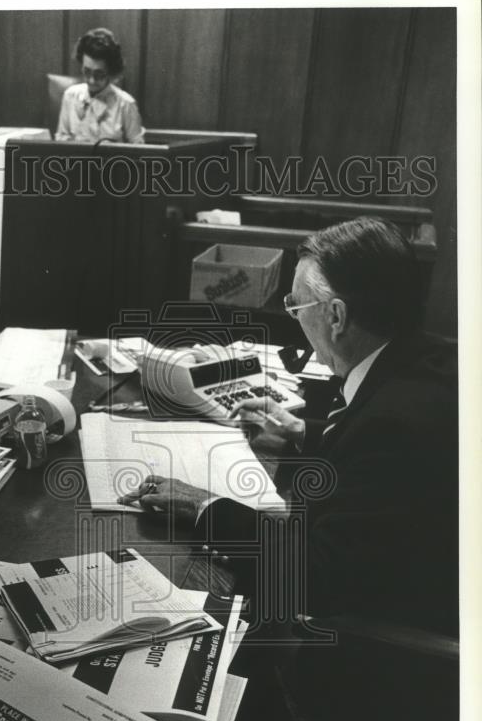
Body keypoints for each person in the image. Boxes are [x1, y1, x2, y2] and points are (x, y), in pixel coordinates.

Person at [120, 217, 458, 634]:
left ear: (337, 316)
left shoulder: (395, 425)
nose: (295, 317)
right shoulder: (431, 358)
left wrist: (203, 505)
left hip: (386, 648)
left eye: (296, 306)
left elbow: (315, 578)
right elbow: (377, 471)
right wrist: (302, 435)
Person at [55, 28, 144, 144]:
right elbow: (61, 137)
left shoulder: (126, 104)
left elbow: (138, 149)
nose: (91, 80)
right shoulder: (70, 96)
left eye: (99, 74)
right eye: (87, 72)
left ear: (111, 72)